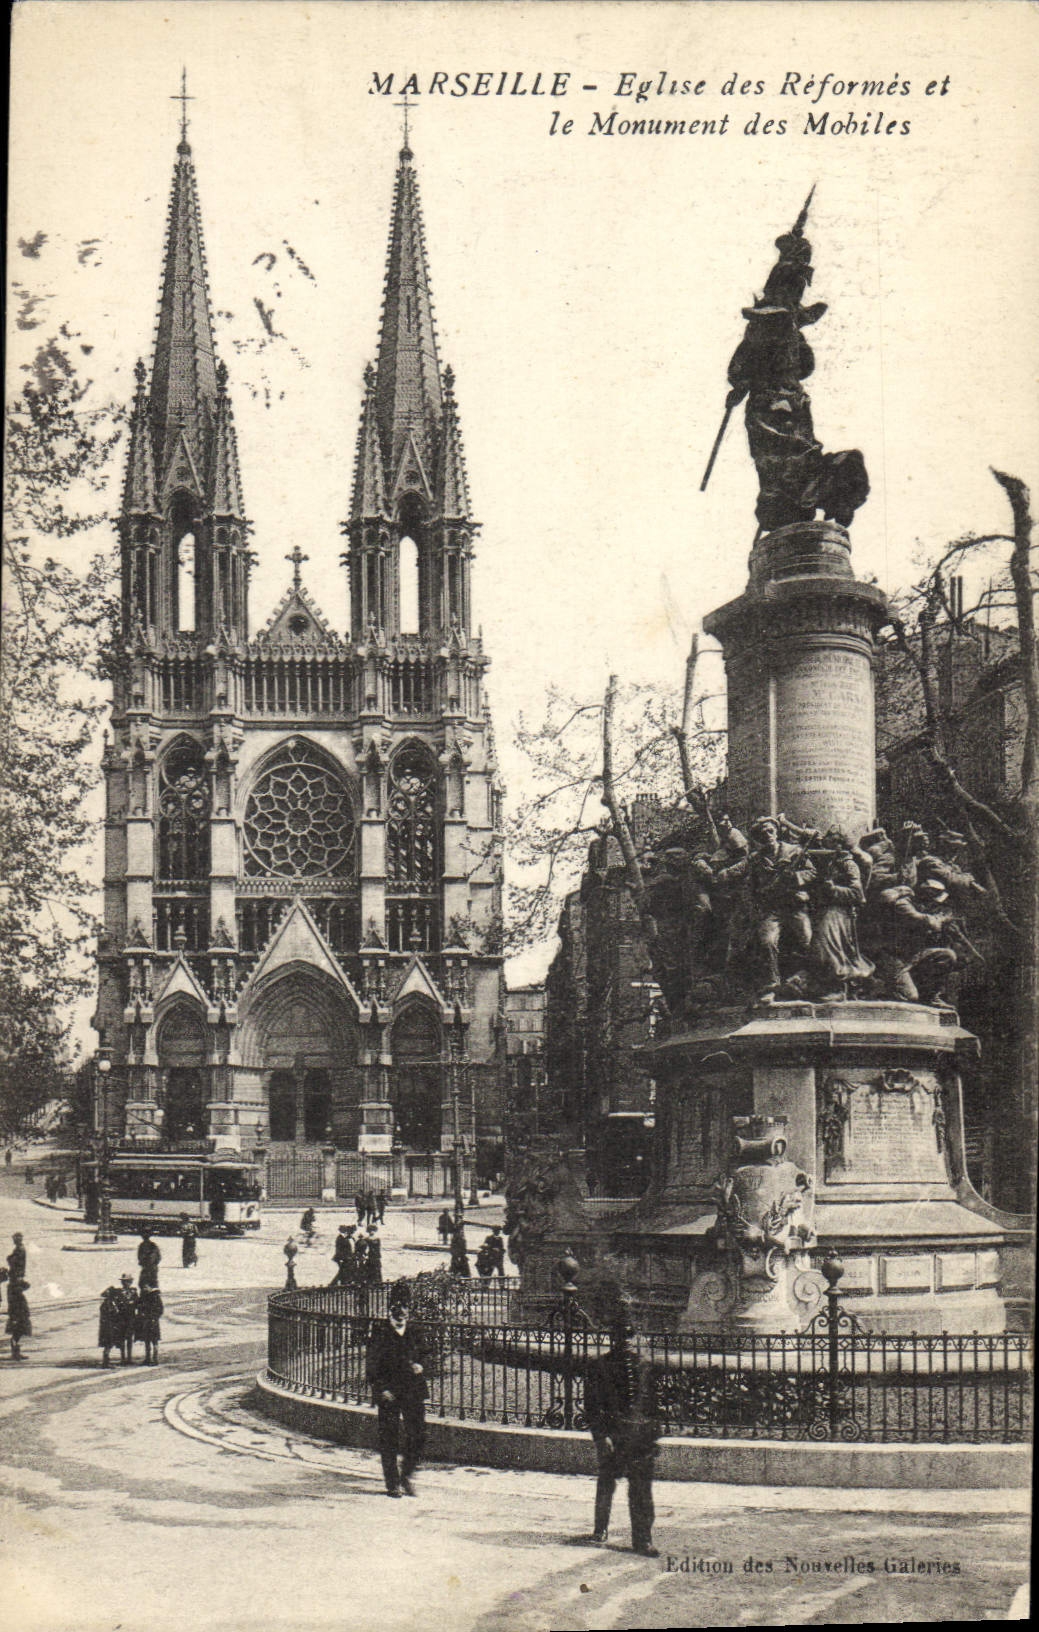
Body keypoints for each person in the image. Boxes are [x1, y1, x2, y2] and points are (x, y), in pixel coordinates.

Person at [582, 1306, 661, 1556]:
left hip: (639, 1437)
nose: (624, 1342)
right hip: (613, 1434)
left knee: (641, 1489)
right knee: (607, 1482)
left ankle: (642, 1540)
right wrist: (600, 1436)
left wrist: (653, 1433)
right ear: (612, 1339)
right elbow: (592, 1405)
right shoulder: (599, 1366)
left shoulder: (644, 1365)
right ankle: (600, 1528)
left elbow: (653, 1402)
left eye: (628, 1337)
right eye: (618, 1337)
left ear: (633, 1338)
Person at [366, 1281, 427, 1497]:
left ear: (409, 1308)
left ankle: (406, 1476)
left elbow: (427, 1354)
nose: (400, 1310)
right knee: (389, 1437)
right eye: (396, 1306)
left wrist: (422, 1365)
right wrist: (380, 1389)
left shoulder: (415, 1331)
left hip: (412, 1390)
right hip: (390, 1392)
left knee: (418, 1435)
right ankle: (392, 1482)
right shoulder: (380, 1330)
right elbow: (372, 1363)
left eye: (404, 1305)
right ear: (390, 1308)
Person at [135, 1283, 163, 1364]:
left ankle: (155, 1358)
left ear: (150, 1287)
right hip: (145, 1322)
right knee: (146, 1341)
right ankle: (148, 1358)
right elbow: (137, 1305)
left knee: (154, 1341)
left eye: (146, 1287)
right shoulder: (143, 1297)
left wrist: (155, 1317)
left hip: (153, 1322)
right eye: (143, 1287)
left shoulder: (156, 1297)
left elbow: (160, 1309)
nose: (144, 1289)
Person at [6, 1276, 32, 1361]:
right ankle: (15, 1353)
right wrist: (14, 1317)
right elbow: (26, 1286)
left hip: (20, 1314)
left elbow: (27, 1285)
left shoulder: (14, 1289)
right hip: (17, 1315)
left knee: (18, 1334)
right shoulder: (12, 1290)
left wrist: (19, 1280)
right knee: (16, 1334)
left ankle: (16, 1353)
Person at [98, 1285, 124, 1367]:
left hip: (110, 1327)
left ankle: (106, 1361)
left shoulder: (110, 1303)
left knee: (109, 1344)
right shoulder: (108, 1304)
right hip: (108, 1327)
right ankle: (105, 1362)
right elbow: (110, 1316)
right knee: (108, 1344)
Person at [115, 1273, 138, 1364]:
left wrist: (133, 1303)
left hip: (131, 1318)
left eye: (128, 1281)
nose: (126, 1283)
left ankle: (129, 1358)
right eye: (124, 1282)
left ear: (131, 1282)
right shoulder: (118, 1292)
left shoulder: (134, 1291)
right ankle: (123, 1358)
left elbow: (137, 1302)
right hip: (121, 1318)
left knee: (129, 1339)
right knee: (121, 1339)